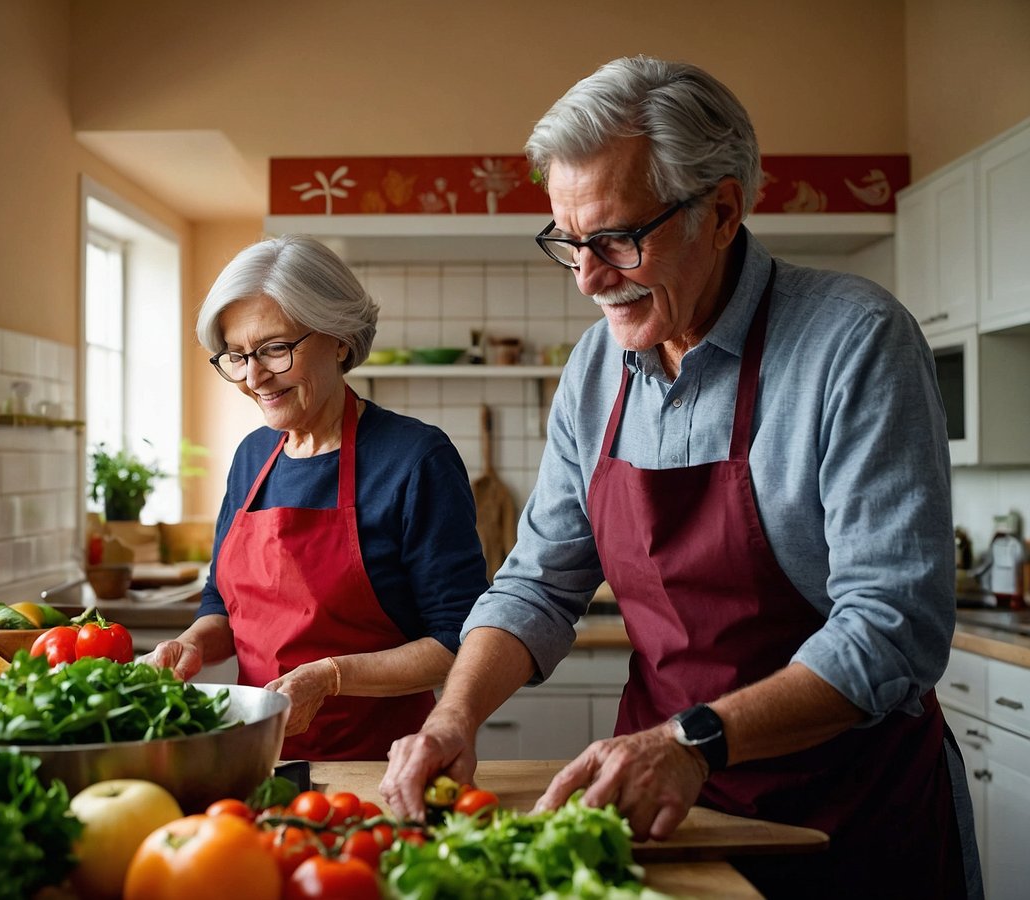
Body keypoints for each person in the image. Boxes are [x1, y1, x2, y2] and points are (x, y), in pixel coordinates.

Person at [380, 55, 981, 899]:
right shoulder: (597, 368)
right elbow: (539, 584)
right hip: (655, 803)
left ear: (723, 211)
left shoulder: (855, 342)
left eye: (619, 239)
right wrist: (455, 713)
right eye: (569, 243)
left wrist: (694, 741)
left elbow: (893, 628)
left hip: (848, 811)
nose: (589, 280)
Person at [142, 234, 488, 761]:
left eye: (275, 349)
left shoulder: (416, 459)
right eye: (236, 356)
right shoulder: (252, 457)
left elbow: (459, 640)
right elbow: (221, 605)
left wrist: (330, 677)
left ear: (341, 337)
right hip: (256, 758)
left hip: (381, 766)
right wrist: (192, 643)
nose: (254, 377)